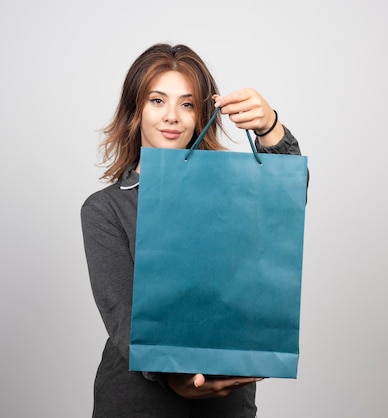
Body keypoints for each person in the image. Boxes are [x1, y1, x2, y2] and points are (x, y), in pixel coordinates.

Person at [81, 43, 303, 418]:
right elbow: (124, 317)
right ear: (135, 111)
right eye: (157, 101)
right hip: (137, 402)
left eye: (186, 104)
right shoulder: (105, 208)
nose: (172, 117)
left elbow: (285, 200)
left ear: (201, 115)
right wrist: (172, 377)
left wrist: (270, 127)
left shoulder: (231, 195)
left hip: (227, 400)